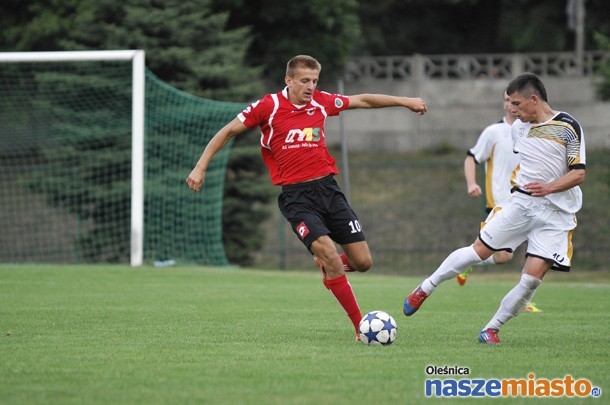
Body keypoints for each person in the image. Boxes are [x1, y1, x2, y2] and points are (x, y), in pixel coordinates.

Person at [187, 55, 428, 340]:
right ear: (288, 80)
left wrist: (405, 100)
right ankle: (359, 327)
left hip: (329, 191)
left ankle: (328, 265)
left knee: (363, 262)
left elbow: (362, 100)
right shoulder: (269, 107)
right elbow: (227, 132)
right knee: (331, 256)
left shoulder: (321, 103)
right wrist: (200, 167)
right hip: (297, 198)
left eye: (314, 81)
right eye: (304, 81)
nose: (311, 86)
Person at [403, 73, 585, 345]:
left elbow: (578, 174)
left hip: (557, 216)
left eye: (516, 104)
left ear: (534, 100)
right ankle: (426, 287)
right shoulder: (518, 128)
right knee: (479, 251)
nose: (512, 110)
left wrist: (548, 187)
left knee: (532, 281)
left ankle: (492, 328)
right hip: (521, 205)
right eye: (509, 104)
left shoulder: (568, 126)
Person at [456, 91, 543, 313]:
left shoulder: (534, 130)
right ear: (505, 105)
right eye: (506, 100)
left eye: (514, 100)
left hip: (528, 200)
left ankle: (524, 300)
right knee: (503, 256)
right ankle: (466, 262)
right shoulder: (494, 132)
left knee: (534, 250)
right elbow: (471, 157)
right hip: (500, 203)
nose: (511, 105)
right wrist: (471, 184)